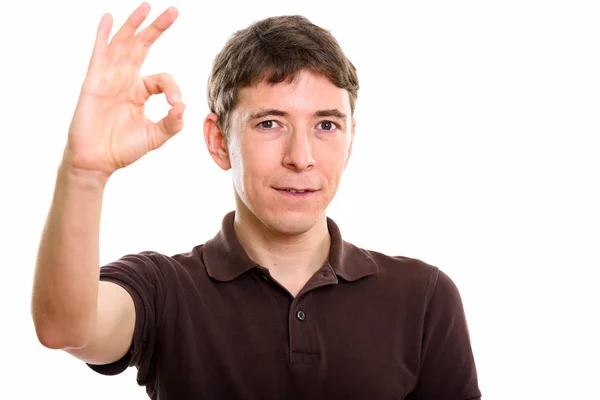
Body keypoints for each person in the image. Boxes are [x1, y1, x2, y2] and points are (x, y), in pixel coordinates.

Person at [31, 2, 481, 399]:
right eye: (270, 123)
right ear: (218, 142)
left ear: (350, 139)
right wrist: (83, 173)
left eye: (326, 125)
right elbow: (64, 327)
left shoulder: (424, 298)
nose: (301, 158)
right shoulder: (164, 289)